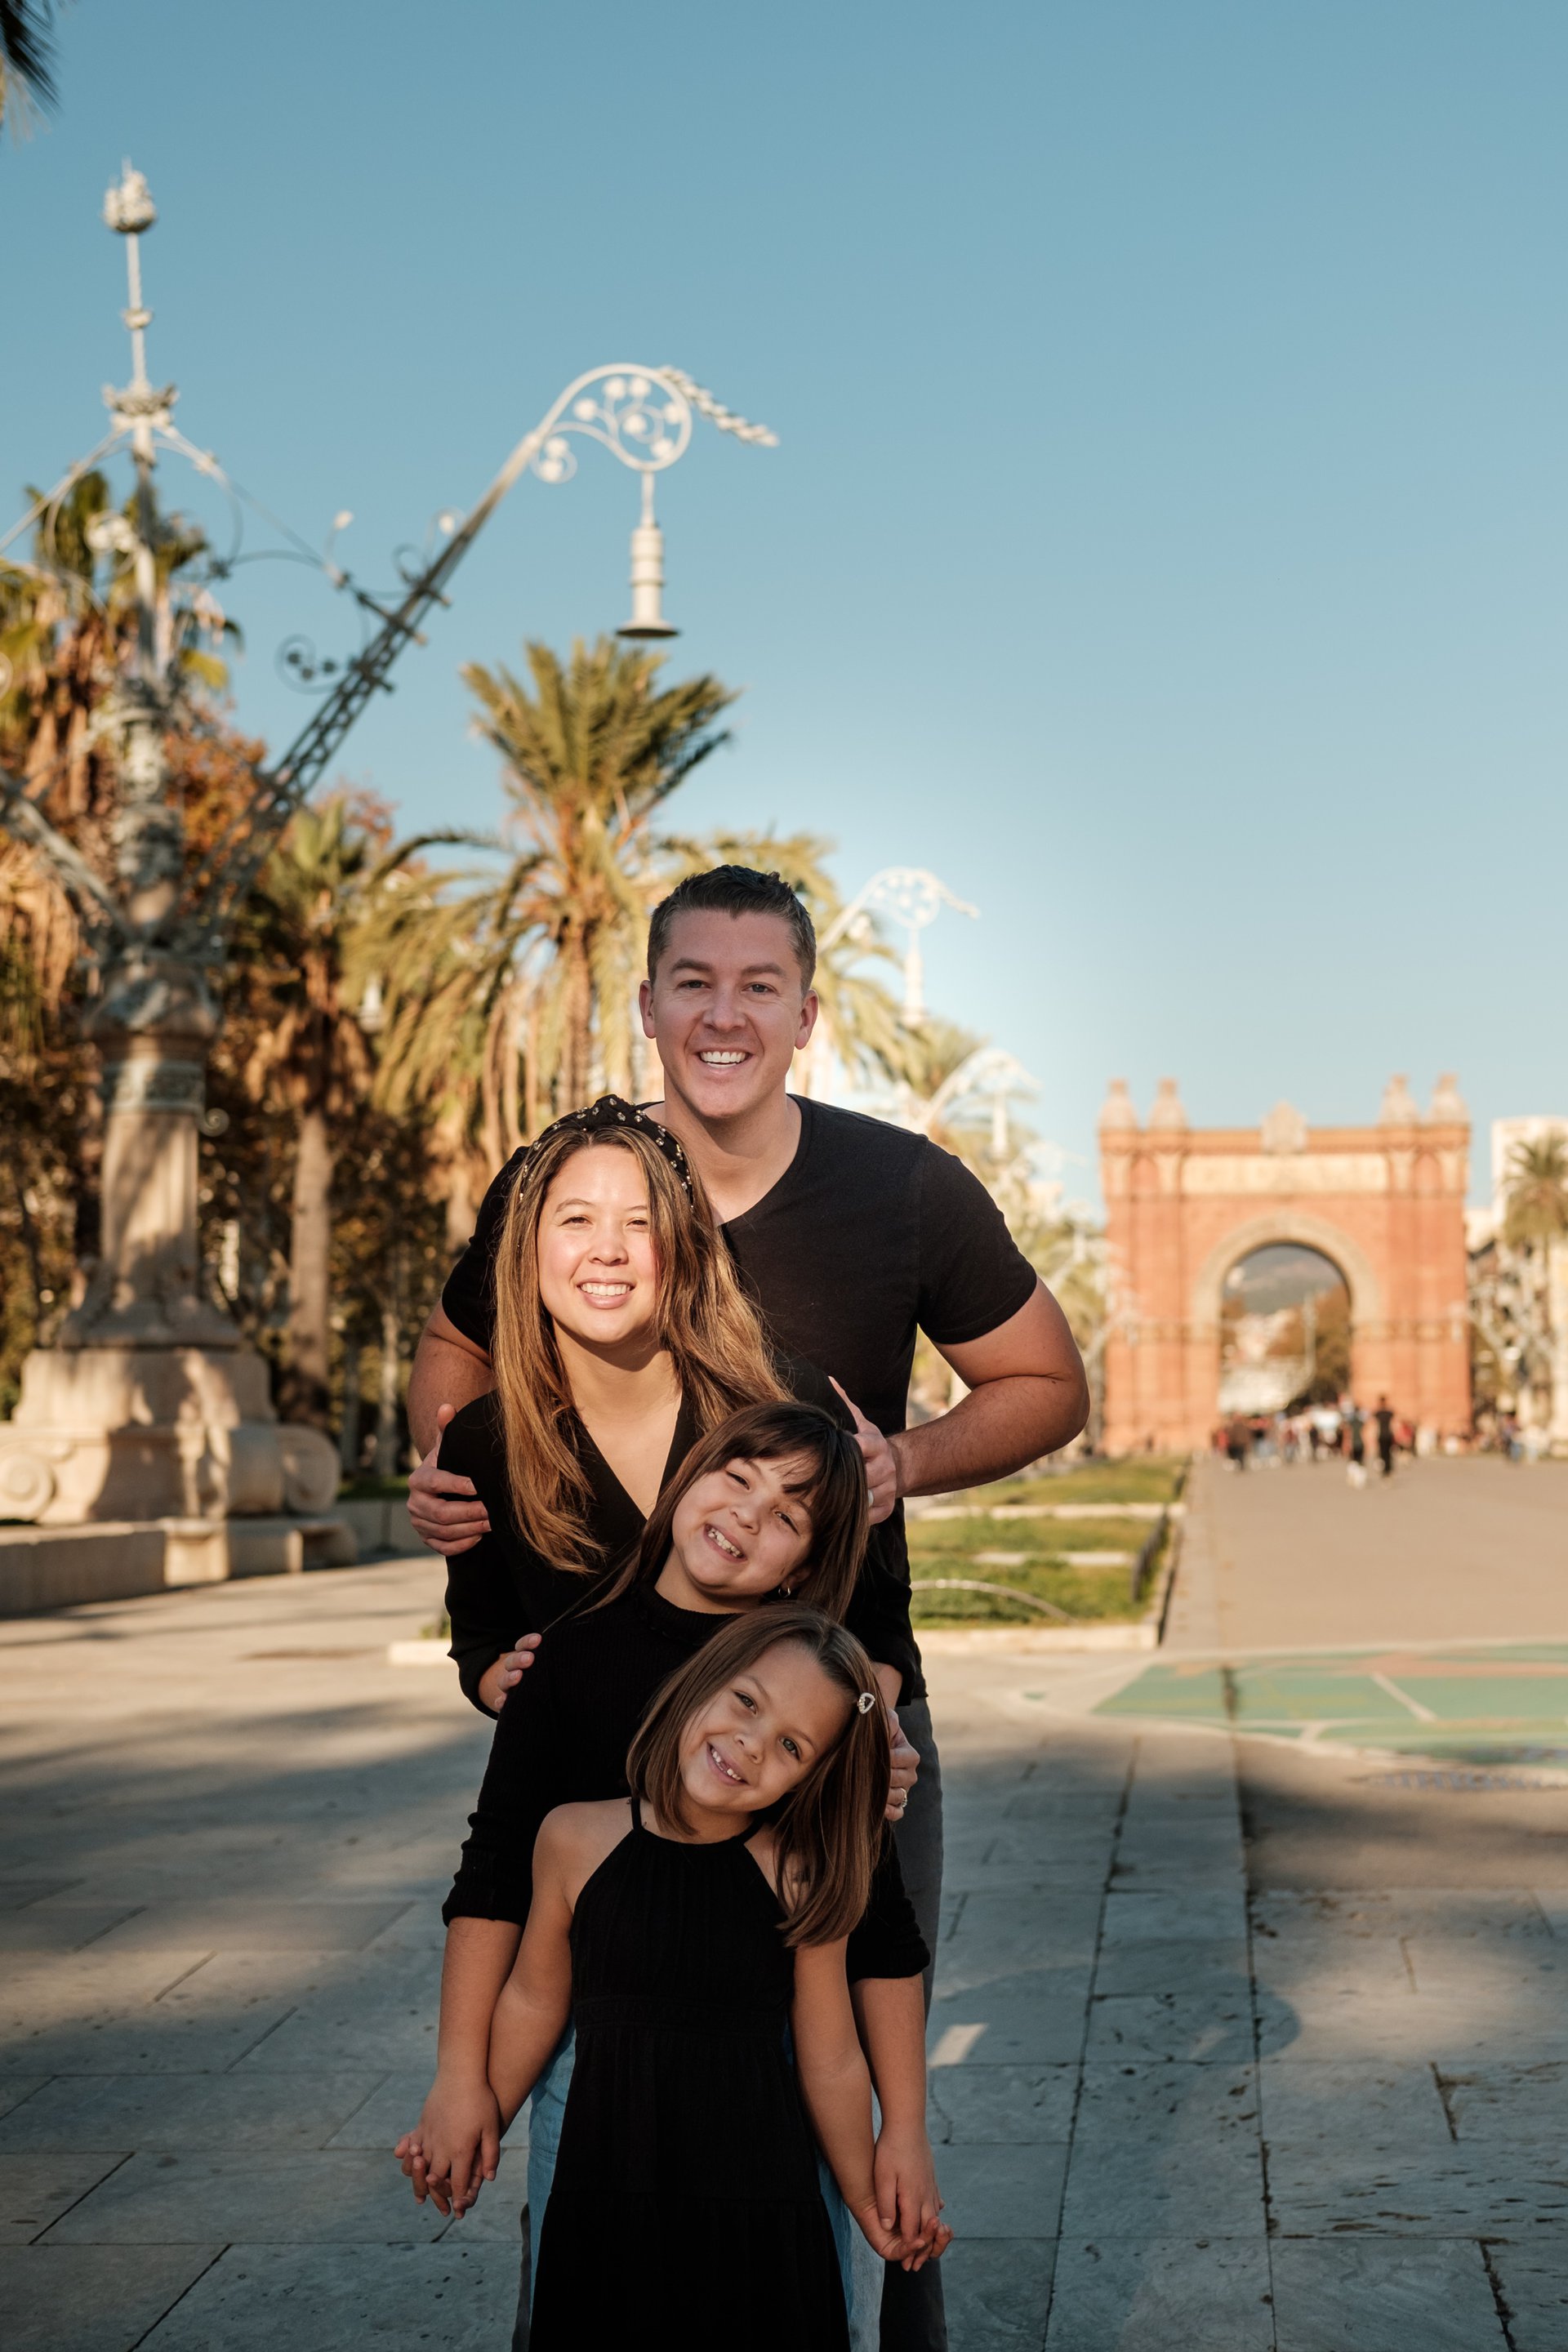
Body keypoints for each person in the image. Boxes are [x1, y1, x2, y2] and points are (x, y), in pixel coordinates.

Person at [406, 864, 1089, 2348]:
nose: (725, 1014)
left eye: (758, 985)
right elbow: (459, 1347)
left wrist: (899, 1464)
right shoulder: (572, 1184)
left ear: (806, 1015)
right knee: (594, 2098)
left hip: (833, 1719)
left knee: (842, 2075)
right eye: (695, 983)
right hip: (604, 1737)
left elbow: (1050, 1384)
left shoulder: (901, 1189)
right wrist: (451, 1480)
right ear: (648, 1005)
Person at [405, 1401, 938, 2350]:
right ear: (689, 1476)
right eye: (737, 1477)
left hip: (770, 2092)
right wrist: (464, 2085)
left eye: (788, 1516)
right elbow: (496, 1878)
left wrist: (902, 2128)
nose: (747, 1515)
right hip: (600, 2073)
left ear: (807, 1566)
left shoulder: (818, 1692)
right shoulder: (568, 1659)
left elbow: (880, 1935)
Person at [467, 1613, 951, 2346]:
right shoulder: (571, 1838)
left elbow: (830, 2059)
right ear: (701, 1683)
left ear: (813, 1777)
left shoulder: (802, 1876)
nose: (752, 1744)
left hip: (759, 2205)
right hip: (608, 2188)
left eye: (792, 1746)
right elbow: (535, 1999)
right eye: (746, 1702)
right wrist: (480, 2123)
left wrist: (863, 2202)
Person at [1374, 1394, 1397, 1479]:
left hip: (1383, 1435)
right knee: (1387, 1454)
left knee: (1383, 1453)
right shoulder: (1389, 1413)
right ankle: (1387, 1470)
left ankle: (1385, 1470)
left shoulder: (1378, 1413)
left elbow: (1375, 1425)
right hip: (1388, 1435)